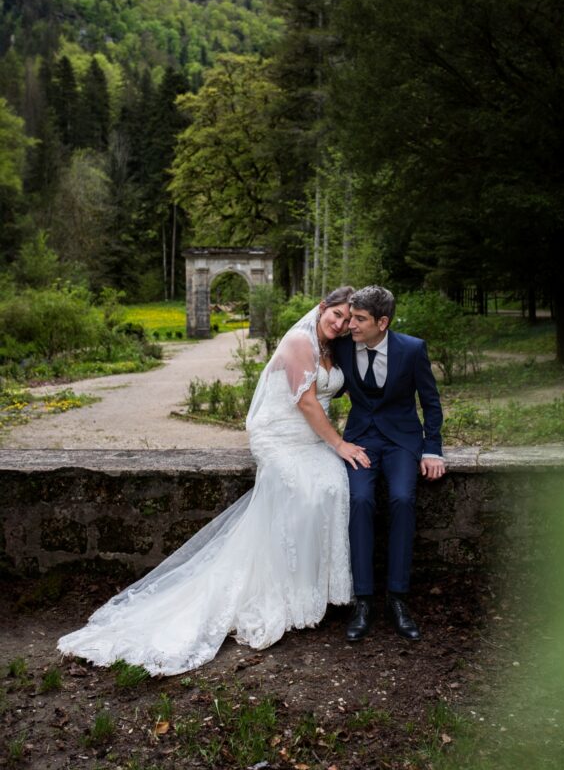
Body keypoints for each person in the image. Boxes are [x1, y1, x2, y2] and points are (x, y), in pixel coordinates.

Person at [57, 287, 370, 676]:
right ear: (322, 308)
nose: (339, 324)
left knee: (333, 484)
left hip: (307, 436)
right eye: (335, 314)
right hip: (279, 433)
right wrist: (339, 443)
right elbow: (305, 401)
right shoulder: (297, 340)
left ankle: (317, 593)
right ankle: (288, 595)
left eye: (346, 319)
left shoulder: (333, 345)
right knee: (305, 488)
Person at [332, 286, 445, 642]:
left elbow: (431, 402)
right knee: (360, 500)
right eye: (350, 317)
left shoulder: (411, 349)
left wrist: (432, 449)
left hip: (401, 441)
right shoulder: (342, 347)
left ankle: (398, 598)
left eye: (360, 319)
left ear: (383, 322)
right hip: (360, 440)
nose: (351, 325)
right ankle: (363, 601)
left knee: (401, 498)